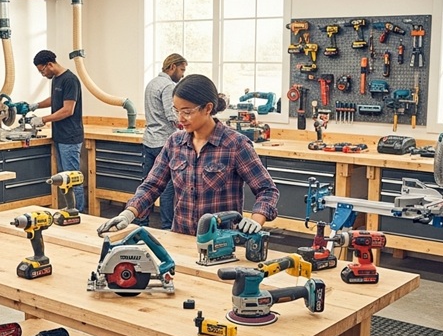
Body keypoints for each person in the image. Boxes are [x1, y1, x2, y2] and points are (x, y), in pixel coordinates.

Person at [97, 74, 278, 237]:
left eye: (187, 112)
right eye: (177, 111)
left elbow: (267, 190)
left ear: (208, 108)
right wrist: (128, 213)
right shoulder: (175, 143)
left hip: (221, 244)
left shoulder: (235, 144)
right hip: (180, 239)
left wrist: (256, 220)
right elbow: (152, 185)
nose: (180, 118)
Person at [30, 50, 86, 213]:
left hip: (70, 137)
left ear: (50, 64)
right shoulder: (56, 79)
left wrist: (43, 119)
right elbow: (55, 99)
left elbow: (68, 110)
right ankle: (70, 208)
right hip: (60, 136)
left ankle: (78, 212)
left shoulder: (70, 80)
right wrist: (36, 105)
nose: (42, 74)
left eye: (42, 70)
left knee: (72, 178)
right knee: (64, 178)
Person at [136, 53, 186, 230]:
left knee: (147, 185)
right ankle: (166, 227)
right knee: (167, 189)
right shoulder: (169, 86)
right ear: (172, 67)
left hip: (149, 140)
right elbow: (171, 114)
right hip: (164, 143)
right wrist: (187, 125)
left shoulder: (152, 83)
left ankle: (141, 223)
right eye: (181, 70)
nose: (183, 75)